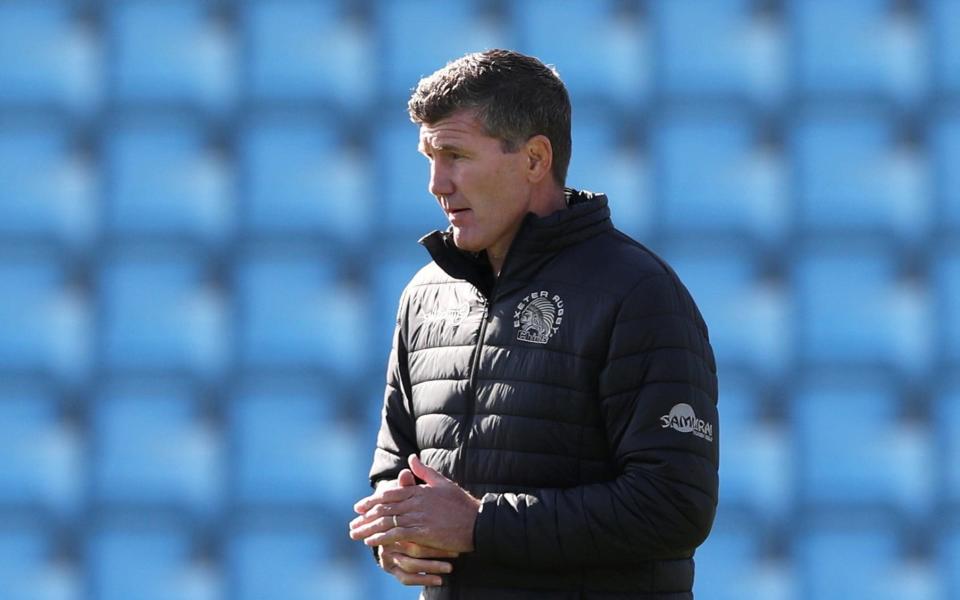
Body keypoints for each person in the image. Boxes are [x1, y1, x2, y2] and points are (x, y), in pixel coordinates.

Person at [349, 49, 719, 600]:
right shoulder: (425, 295)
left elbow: (673, 505)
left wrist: (479, 525)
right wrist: (398, 534)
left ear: (534, 159)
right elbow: (396, 467)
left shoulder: (638, 292)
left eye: (454, 154)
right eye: (429, 156)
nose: (436, 183)